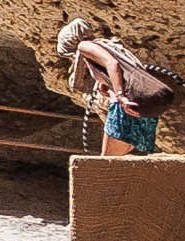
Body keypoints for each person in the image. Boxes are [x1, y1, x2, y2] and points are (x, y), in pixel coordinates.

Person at [60, 20, 174, 154]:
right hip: (142, 103)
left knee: (108, 161)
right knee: (116, 158)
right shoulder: (109, 46)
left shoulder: (85, 46)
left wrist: (120, 96)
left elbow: (112, 64)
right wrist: (105, 85)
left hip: (126, 106)